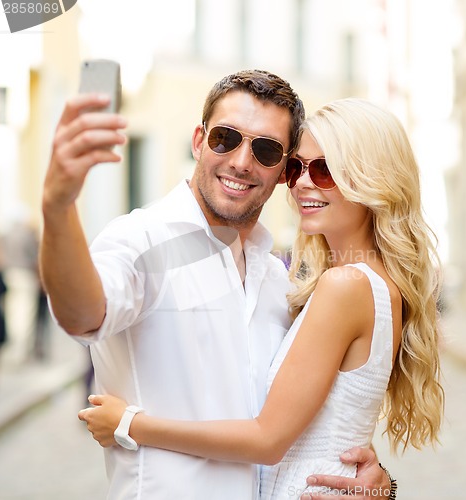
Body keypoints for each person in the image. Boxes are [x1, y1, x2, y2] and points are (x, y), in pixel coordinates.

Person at [41, 70, 393, 499]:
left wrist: (377, 484)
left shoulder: (280, 282)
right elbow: (82, 312)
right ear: (198, 141)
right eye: (225, 138)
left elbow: (300, 424)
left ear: (283, 171)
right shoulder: (142, 240)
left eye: (265, 150)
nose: (242, 162)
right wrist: (58, 209)